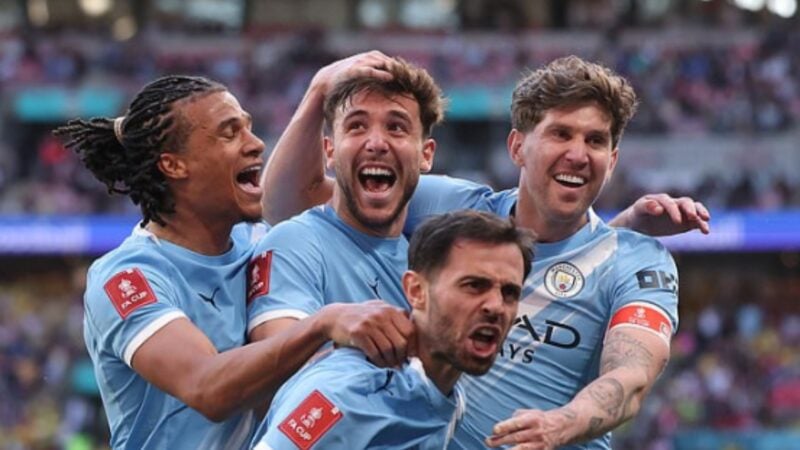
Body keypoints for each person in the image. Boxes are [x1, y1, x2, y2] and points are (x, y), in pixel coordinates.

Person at [259, 54, 708, 449]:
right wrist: (318, 92)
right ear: (518, 147)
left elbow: (631, 376)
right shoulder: (454, 209)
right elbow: (291, 202)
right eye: (560, 134)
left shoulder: (636, 261)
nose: (577, 154)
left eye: (595, 141)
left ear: (612, 161)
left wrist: (561, 424)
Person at [55, 75, 412, 449]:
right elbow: (208, 388)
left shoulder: (263, 241)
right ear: (174, 165)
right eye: (229, 134)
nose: (256, 144)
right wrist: (323, 324)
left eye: (248, 127)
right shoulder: (127, 278)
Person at [251, 210, 534, 450]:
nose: (496, 306)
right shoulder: (345, 394)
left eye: (509, 293)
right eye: (474, 286)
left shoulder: (448, 395)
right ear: (416, 291)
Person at [246, 56, 441, 367]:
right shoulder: (295, 243)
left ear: (426, 155)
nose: (376, 143)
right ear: (330, 151)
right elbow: (277, 369)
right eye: (357, 126)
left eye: (396, 127)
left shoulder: (429, 263)